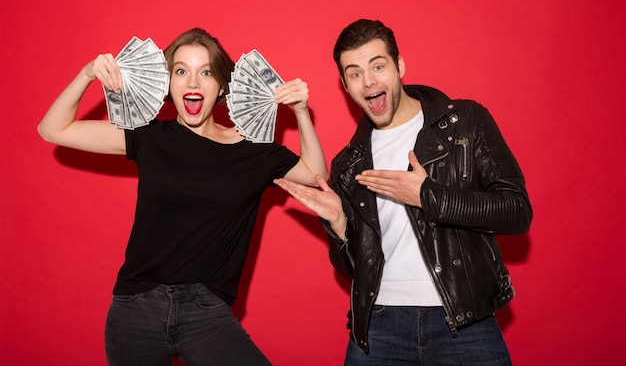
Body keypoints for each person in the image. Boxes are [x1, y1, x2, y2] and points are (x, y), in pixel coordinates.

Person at [37, 27, 328, 366]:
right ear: (168, 84)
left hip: (206, 312)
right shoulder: (149, 137)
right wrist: (87, 74)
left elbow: (315, 175)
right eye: (181, 71)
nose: (193, 83)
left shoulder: (254, 152)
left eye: (206, 72)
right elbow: (52, 129)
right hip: (136, 309)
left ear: (221, 86)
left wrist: (302, 113)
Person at [274, 19, 532, 366]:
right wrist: (338, 225)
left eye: (378, 66)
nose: (368, 81)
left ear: (400, 67)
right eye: (354, 73)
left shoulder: (466, 121)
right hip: (380, 326)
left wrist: (429, 196)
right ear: (345, 85)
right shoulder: (349, 164)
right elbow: (355, 269)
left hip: (463, 321)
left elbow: (516, 212)